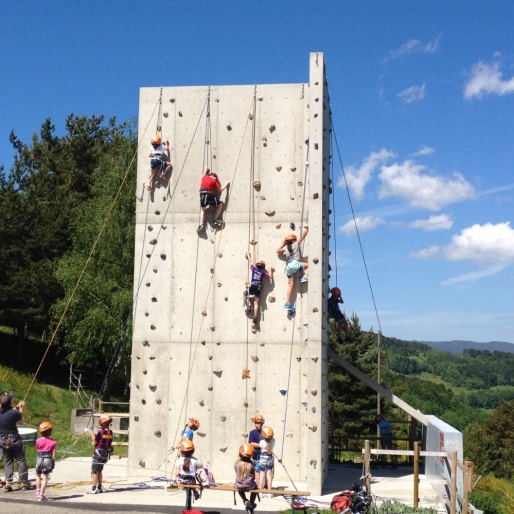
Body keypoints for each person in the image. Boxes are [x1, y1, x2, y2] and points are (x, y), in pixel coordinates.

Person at [0, 392, 33, 492]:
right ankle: (23, 483)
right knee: (21, 460)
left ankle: (8, 484)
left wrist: (17, 407)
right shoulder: (14, 413)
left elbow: (9, 412)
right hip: (14, 439)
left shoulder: (2, 412)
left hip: (3, 440)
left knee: (9, 460)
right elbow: (21, 421)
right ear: (10, 402)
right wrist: (21, 409)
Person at [276, 226, 309, 312]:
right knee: (310, 265)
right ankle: (305, 277)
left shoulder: (285, 248)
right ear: (294, 240)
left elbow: (278, 250)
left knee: (291, 285)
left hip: (289, 267)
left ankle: (288, 303)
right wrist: (307, 229)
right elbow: (303, 236)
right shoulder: (296, 244)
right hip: (295, 264)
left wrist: (283, 243)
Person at [244, 252, 273, 333]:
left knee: (244, 294)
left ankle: (249, 305)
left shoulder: (254, 269)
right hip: (259, 287)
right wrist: (270, 270)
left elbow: (250, 261)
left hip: (253, 285)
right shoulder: (263, 272)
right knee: (256, 302)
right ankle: (255, 319)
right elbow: (269, 277)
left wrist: (248, 255)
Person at [197, 167, 229, 232]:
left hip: (202, 195)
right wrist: (226, 183)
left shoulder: (205, 177)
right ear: (213, 176)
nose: (216, 179)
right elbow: (220, 189)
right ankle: (215, 219)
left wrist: (206, 170)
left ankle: (201, 225)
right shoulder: (213, 181)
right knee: (220, 205)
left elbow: (203, 176)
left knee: (203, 210)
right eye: (215, 177)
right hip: (209, 195)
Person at [88, 414, 113, 494]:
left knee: (95, 471)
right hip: (105, 453)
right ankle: (99, 487)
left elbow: (95, 442)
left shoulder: (101, 432)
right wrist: (97, 434)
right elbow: (105, 439)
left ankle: (93, 488)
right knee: (100, 470)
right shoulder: (110, 432)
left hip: (98, 452)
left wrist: (91, 434)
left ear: (103, 423)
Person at [35, 421, 57, 501]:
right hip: (48, 458)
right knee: (45, 478)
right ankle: (41, 495)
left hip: (39, 458)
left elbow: (37, 449)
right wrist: (53, 462)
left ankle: (37, 491)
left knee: (38, 475)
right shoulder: (53, 442)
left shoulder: (37, 440)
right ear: (50, 431)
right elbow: (53, 454)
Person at [235, 443, 258, 513]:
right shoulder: (252, 464)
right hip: (250, 485)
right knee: (255, 490)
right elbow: (254, 476)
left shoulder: (237, 463)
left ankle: (245, 500)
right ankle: (251, 504)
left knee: (239, 488)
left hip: (239, 485)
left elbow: (236, 472)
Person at [257, 426, 275, 494]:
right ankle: (269, 492)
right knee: (269, 476)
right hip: (270, 457)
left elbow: (260, 446)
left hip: (263, 457)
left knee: (262, 475)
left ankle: (260, 492)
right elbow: (272, 439)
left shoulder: (262, 442)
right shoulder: (273, 441)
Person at [248, 413, 264, 485]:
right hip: (256, 454)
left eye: (260, 424)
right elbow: (251, 443)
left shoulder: (264, 432)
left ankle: (263, 485)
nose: (259, 425)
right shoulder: (252, 432)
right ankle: (258, 484)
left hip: (264, 454)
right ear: (255, 423)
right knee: (257, 470)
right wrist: (261, 445)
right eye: (257, 423)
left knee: (264, 470)